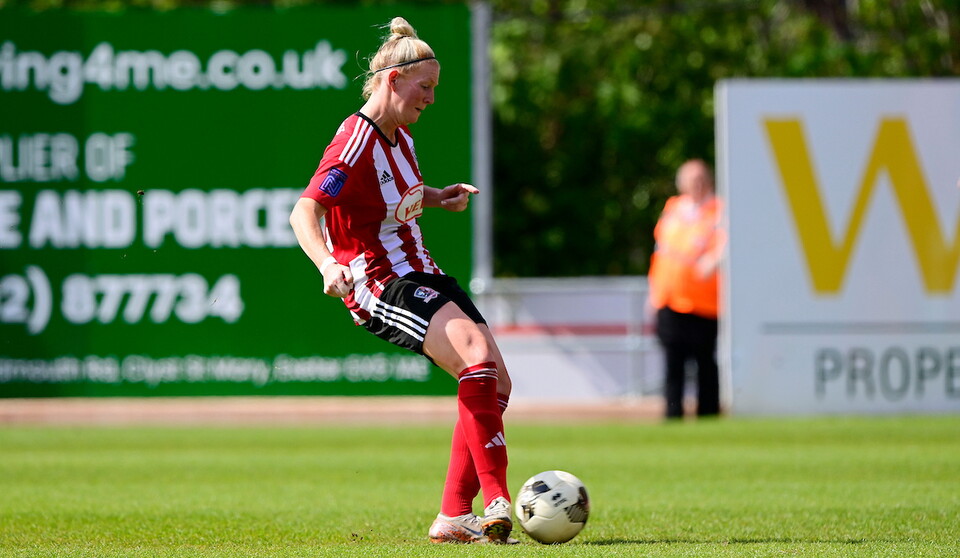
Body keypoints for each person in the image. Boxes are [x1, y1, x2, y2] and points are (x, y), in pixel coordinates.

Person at [288, 17, 514, 544]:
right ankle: (496, 499)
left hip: (422, 271)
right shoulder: (354, 140)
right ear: (392, 81)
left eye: (435, 88)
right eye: (425, 87)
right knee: (476, 357)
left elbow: (391, 200)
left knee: (497, 383)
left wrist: (437, 196)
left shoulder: (401, 137)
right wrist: (327, 264)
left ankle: (454, 517)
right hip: (380, 281)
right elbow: (305, 211)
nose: (432, 98)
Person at [647, 159, 725, 419]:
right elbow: (661, 252)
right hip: (670, 299)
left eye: (701, 178)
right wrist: (653, 291)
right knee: (673, 362)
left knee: (704, 361)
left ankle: (708, 414)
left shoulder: (718, 210)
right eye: (692, 179)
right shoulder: (673, 209)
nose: (697, 184)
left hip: (704, 302)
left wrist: (712, 261)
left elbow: (723, 247)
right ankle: (673, 414)